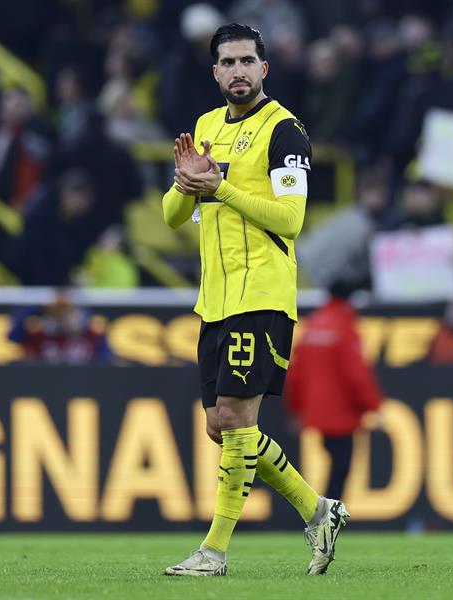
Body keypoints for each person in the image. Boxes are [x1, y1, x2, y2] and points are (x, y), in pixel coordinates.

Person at [160, 23, 349, 578]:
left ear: (264, 69)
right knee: (221, 424)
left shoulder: (284, 130)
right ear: (215, 71)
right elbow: (173, 217)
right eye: (228, 62)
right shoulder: (206, 127)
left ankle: (213, 552)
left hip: (262, 293)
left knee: (238, 423)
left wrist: (220, 187)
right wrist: (187, 183)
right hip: (213, 300)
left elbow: (291, 220)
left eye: (247, 61)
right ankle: (319, 510)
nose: (238, 71)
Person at [283, 279, 383, 501]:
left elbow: (295, 375)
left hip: (315, 411)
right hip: (341, 413)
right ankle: (328, 515)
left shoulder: (313, 325)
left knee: (335, 463)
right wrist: (374, 406)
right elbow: (356, 374)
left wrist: (295, 410)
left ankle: (325, 511)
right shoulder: (345, 328)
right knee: (341, 466)